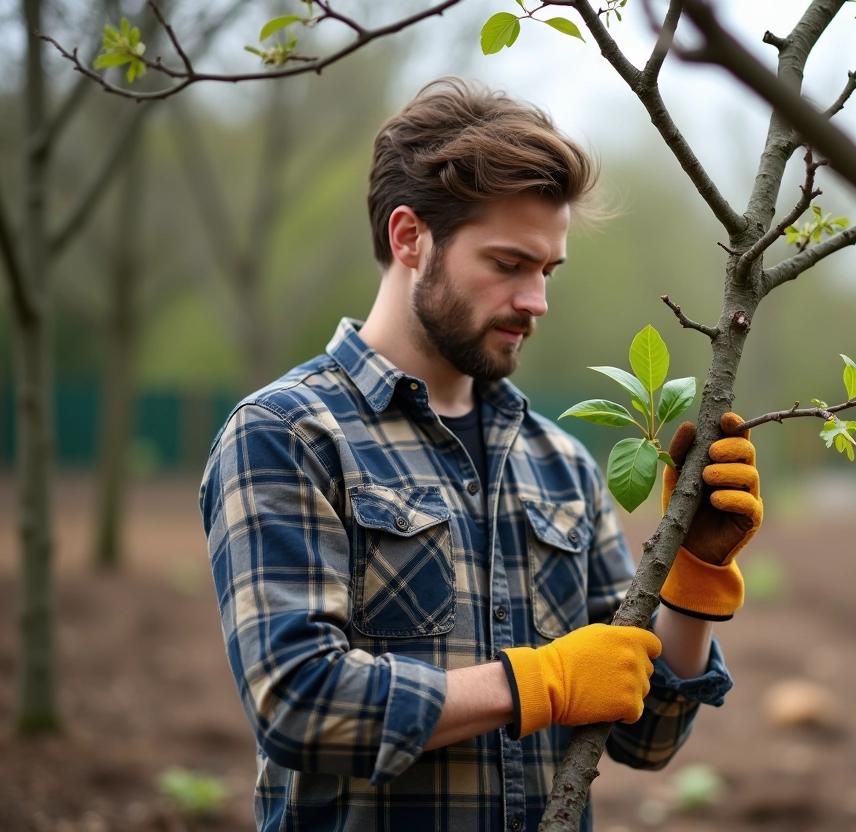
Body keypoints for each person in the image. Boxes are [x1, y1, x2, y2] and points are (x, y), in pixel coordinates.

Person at [199, 78, 764, 832]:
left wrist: (690, 585)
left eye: (547, 271)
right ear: (410, 239)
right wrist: (542, 683)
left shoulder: (558, 461)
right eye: (508, 264)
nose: (537, 300)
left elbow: (646, 737)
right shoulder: (288, 433)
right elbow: (300, 702)